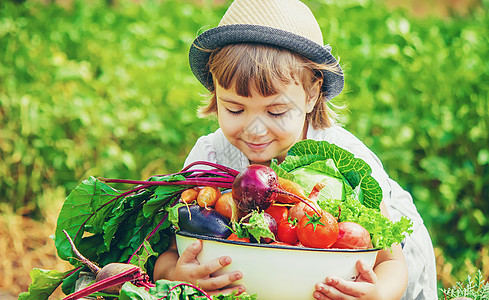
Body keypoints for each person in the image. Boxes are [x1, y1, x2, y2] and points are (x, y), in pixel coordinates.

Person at [153, 0, 437, 299]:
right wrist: (175, 274)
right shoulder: (208, 159)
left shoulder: (342, 158)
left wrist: (378, 293)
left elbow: (392, 263)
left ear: (312, 94)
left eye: (276, 112)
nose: (255, 130)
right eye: (235, 109)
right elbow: (171, 253)